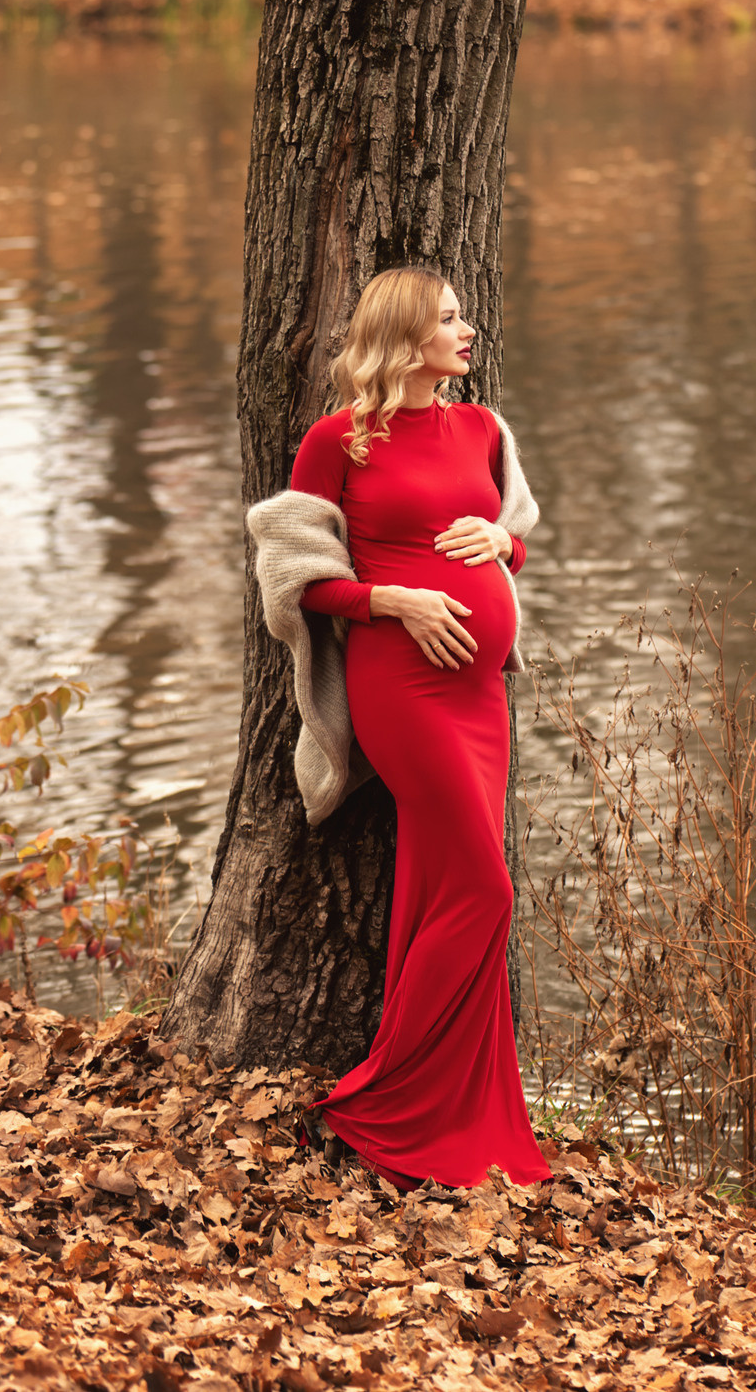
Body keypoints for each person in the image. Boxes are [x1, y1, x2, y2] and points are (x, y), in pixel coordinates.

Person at [246, 266, 550, 1190]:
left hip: (480, 695)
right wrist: (394, 599)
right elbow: (293, 580)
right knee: (486, 889)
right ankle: (384, 1096)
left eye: (462, 315)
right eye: (449, 318)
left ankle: (458, 1114)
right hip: (402, 688)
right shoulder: (337, 442)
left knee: (438, 884)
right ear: (407, 337)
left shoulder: (483, 429)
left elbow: (516, 536)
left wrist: (502, 544)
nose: (467, 330)